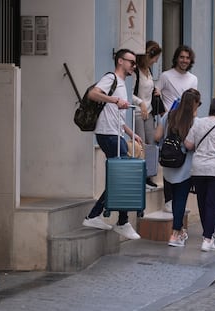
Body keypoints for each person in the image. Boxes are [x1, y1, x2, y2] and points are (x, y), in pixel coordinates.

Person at [82, 49, 143, 240]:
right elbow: (93, 94)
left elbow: (116, 115)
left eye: (134, 63)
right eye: (131, 62)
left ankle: (98, 216)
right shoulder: (111, 78)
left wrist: (132, 133)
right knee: (122, 176)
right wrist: (114, 99)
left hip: (115, 133)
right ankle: (120, 221)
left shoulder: (123, 83)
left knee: (120, 176)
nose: (133, 66)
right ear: (120, 61)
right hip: (107, 134)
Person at [184, 97, 215, 251]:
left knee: (203, 203)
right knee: (214, 204)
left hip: (199, 169)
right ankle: (207, 238)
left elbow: (188, 144)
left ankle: (209, 236)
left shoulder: (198, 123)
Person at [154, 88, 201, 247]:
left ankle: (180, 230)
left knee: (175, 201)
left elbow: (157, 137)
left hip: (168, 165)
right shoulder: (194, 122)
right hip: (185, 166)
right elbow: (194, 145)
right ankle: (174, 235)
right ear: (194, 103)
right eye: (198, 103)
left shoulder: (169, 115)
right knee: (180, 200)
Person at [156, 45, 198, 213]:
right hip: (169, 122)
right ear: (176, 58)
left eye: (187, 58)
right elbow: (157, 92)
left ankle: (179, 197)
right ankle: (169, 199)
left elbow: (194, 99)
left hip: (186, 124)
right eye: (181, 57)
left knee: (184, 161)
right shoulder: (166, 75)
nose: (184, 60)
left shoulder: (193, 78)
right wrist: (164, 115)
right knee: (169, 156)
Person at [132, 40, 162, 188]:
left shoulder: (149, 71)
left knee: (151, 143)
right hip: (138, 112)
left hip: (149, 112)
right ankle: (139, 176)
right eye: (155, 57)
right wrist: (140, 102)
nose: (156, 61)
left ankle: (149, 175)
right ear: (148, 55)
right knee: (141, 144)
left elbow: (147, 89)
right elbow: (129, 93)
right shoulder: (135, 71)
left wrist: (155, 91)